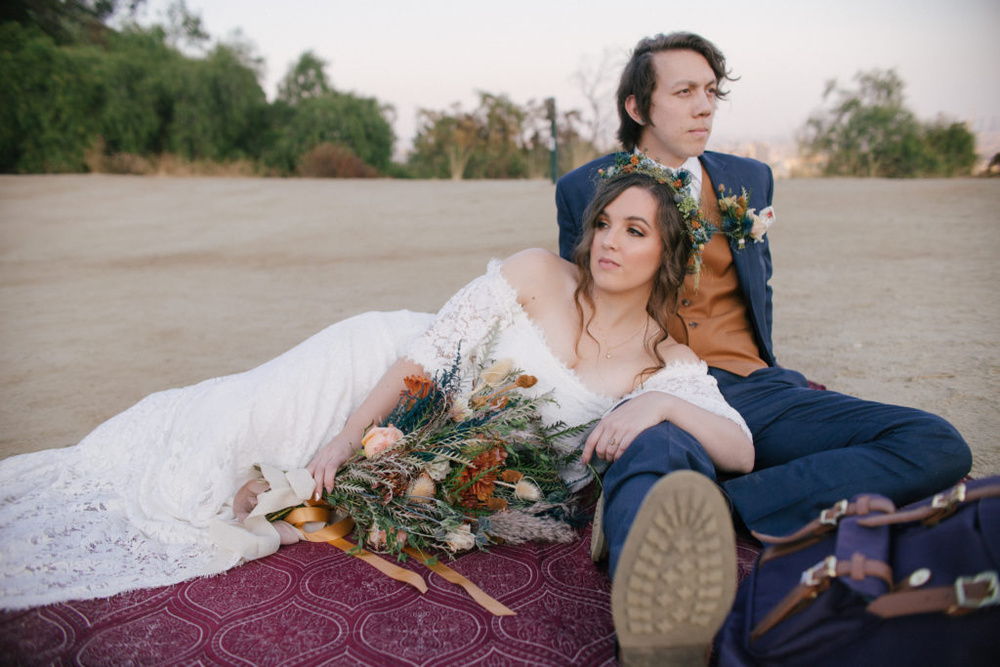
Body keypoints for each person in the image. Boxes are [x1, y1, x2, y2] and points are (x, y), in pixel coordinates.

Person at [0, 167, 750, 632]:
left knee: (281, 496)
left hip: (440, 455)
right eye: (604, 223)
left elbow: (740, 445)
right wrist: (344, 436)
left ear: (669, 252)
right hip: (379, 371)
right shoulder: (536, 273)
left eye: (634, 230)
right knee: (222, 433)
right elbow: (426, 356)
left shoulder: (664, 362)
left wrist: (660, 405)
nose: (608, 241)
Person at [556, 31, 973, 661]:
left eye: (710, 92)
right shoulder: (583, 189)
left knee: (935, 443)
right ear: (638, 107)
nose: (705, 106)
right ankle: (657, 625)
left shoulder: (749, 178)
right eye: (684, 92)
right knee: (649, 460)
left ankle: (713, 505)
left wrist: (768, 372)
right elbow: (584, 297)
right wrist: (633, 395)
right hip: (653, 383)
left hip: (755, 387)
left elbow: (759, 285)